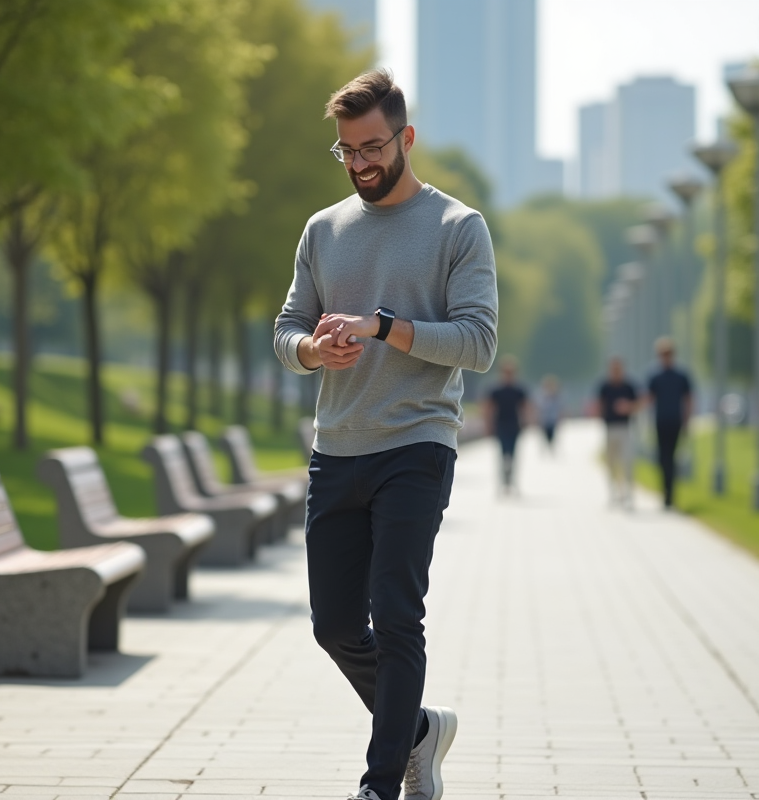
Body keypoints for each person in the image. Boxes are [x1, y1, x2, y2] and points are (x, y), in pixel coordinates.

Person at [273, 69, 497, 800]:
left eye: (373, 147)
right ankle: (419, 730)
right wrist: (313, 351)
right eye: (347, 151)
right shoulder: (322, 229)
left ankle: (381, 783)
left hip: (416, 444)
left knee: (397, 613)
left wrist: (383, 328)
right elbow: (286, 330)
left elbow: (477, 343)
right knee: (334, 624)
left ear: (405, 139)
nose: (361, 162)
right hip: (336, 446)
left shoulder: (458, 228)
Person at [643, 338, 693, 510]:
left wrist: (687, 420)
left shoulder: (681, 375)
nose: (665, 357)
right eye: (662, 354)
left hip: (675, 421)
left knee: (672, 457)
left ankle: (670, 495)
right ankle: (665, 491)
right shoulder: (655, 376)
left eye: (668, 354)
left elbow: (688, 399)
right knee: (662, 458)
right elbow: (648, 398)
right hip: (660, 421)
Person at [592, 357, 638, 508]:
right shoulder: (605, 386)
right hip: (609, 428)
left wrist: (628, 407)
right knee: (611, 463)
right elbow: (598, 404)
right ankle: (613, 493)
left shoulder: (629, 386)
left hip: (625, 428)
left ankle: (629, 494)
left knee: (627, 462)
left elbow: (638, 403)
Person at [483, 357, 530, 492]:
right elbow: (489, 408)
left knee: (513, 454)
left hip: (514, 425)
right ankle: (503, 480)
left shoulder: (518, 390)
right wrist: (488, 425)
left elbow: (525, 407)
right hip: (501, 425)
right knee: (503, 454)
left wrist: (526, 421)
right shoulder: (496, 390)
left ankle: (512, 480)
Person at [537, 374, 562, 451]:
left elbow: (560, 408)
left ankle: (551, 444)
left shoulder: (556, 397)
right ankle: (547, 445)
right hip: (545, 419)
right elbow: (539, 408)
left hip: (553, 419)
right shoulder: (542, 397)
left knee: (552, 433)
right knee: (545, 434)